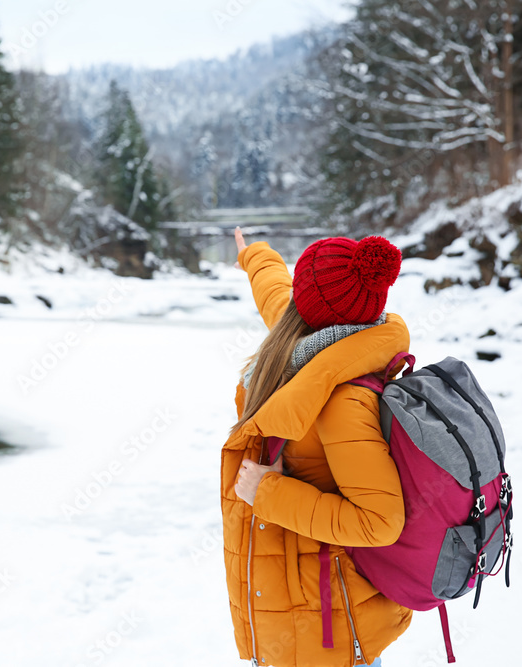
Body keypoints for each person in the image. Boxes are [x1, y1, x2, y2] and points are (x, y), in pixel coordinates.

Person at [220, 228, 412, 667]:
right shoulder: (311, 349)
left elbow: (381, 523)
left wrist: (268, 493)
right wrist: (253, 255)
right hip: (294, 612)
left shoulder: (343, 399)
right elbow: (275, 293)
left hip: (327, 631)